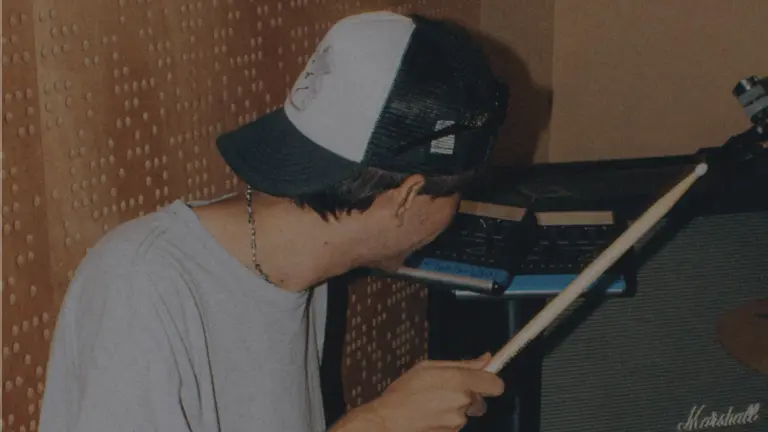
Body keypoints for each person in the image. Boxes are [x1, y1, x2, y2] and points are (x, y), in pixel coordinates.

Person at [39, 10, 509, 432]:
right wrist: (377, 425)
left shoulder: (300, 269)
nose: (455, 211)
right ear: (406, 195)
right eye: (456, 193)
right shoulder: (142, 285)